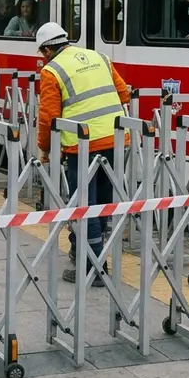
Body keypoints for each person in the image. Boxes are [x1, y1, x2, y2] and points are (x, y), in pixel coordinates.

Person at [34, 21, 129, 286]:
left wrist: (45, 149)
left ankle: (95, 269)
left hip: (83, 144)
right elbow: (123, 93)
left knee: (83, 206)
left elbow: (48, 118)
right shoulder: (100, 57)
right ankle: (83, 249)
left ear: (46, 51)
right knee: (102, 202)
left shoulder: (52, 71)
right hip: (115, 138)